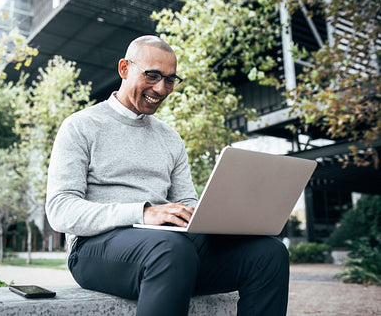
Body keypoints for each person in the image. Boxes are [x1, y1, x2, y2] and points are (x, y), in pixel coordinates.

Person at [46, 35, 289, 316]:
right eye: (152, 76)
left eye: (170, 79)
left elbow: (187, 201)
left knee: (269, 254)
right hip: (94, 249)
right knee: (171, 250)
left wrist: (227, 217)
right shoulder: (80, 126)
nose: (161, 89)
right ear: (124, 69)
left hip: (169, 249)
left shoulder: (170, 138)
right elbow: (60, 210)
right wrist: (143, 213)